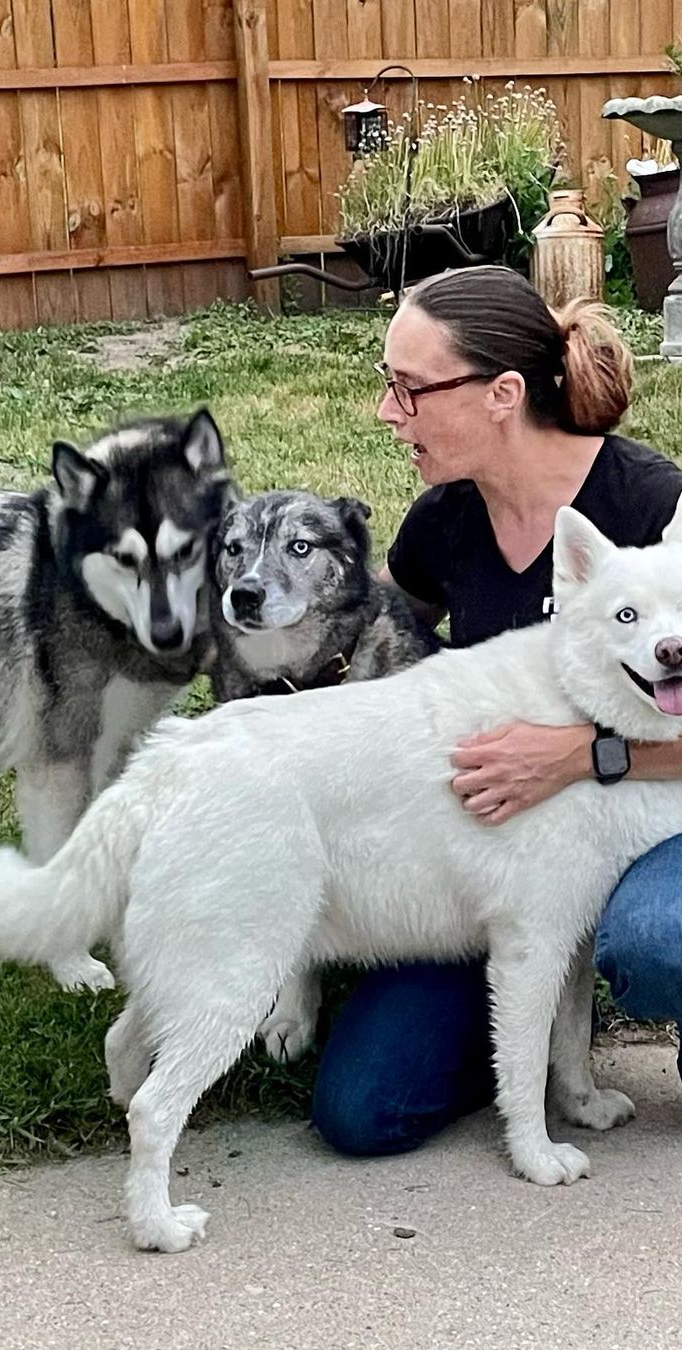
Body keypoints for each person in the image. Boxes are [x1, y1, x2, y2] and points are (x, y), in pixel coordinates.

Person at [311, 264, 682, 1157]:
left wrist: (583, 756)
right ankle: (530, 1013)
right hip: (492, 862)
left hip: (651, 830)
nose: (386, 412)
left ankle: (593, 988)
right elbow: (355, 648)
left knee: (655, 940)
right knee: (364, 1108)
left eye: (409, 388)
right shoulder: (444, 524)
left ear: (502, 394)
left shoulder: (648, 505)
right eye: (386, 384)